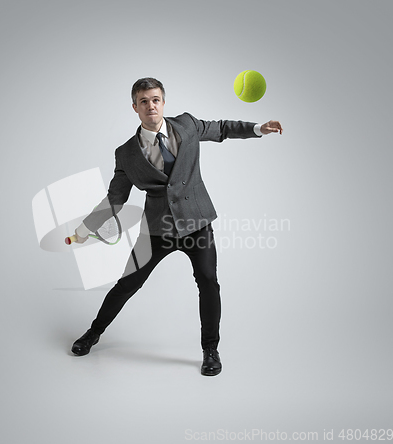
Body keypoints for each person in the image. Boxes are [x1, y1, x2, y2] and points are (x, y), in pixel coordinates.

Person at [69, 77, 283, 376]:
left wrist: (258, 128)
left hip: (196, 223)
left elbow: (221, 128)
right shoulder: (126, 153)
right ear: (135, 107)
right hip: (157, 229)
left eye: (155, 99)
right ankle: (93, 332)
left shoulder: (187, 125)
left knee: (208, 281)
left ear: (163, 102)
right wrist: (85, 228)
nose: (150, 105)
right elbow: (115, 198)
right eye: (144, 101)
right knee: (128, 284)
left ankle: (210, 349)